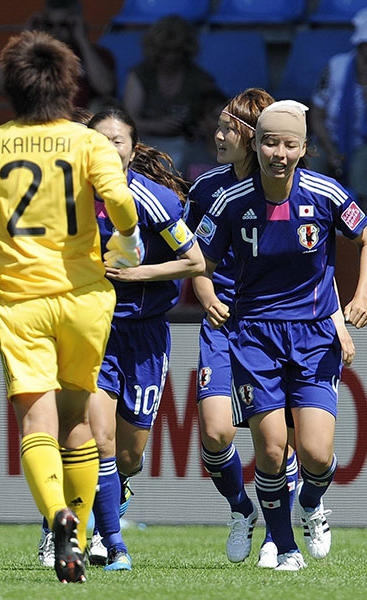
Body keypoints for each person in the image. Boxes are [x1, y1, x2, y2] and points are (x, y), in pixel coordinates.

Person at [0, 31, 145, 583]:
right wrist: (121, 234)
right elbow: (121, 203)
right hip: (83, 299)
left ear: (13, 87)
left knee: (37, 420)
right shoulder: (88, 143)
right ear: (68, 85)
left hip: (21, 302)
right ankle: (77, 541)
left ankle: (55, 514)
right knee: (78, 419)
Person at [195, 100, 367, 571]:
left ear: (303, 148)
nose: (279, 152)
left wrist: (360, 295)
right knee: (271, 450)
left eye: (289, 144)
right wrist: (206, 293)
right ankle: (285, 547)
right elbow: (201, 262)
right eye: (270, 142)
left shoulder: (326, 194)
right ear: (257, 144)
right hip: (254, 335)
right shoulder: (230, 202)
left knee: (315, 452)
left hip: (313, 336)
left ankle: (312, 503)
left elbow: (364, 236)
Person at [79, 107, 205, 572]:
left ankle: (111, 503)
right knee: (100, 439)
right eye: (100, 140)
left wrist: (140, 273)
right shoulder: (68, 197)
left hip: (146, 334)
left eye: (118, 140)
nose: (109, 148)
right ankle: (110, 542)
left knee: (130, 455)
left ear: (133, 148)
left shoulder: (153, 200)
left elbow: (195, 262)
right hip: (93, 330)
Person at [123, 15, 220, 171]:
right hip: (145, 143)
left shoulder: (199, 79)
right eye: (165, 51)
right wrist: (156, 125)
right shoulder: (140, 75)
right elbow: (128, 122)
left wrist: (199, 128)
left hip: (189, 146)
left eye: (176, 51)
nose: (171, 57)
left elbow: (212, 115)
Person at [0, 0, 116, 111]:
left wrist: (82, 39)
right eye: (50, 25)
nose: (56, 31)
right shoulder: (34, 56)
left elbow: (105, 87)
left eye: (64, 25)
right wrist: (25, 36)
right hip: (42, 122)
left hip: (82, 125)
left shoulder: (97, 54)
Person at [311, 7, 367, 197]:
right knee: (310, 167)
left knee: (362, 169)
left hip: (363, 145)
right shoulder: (336, 67)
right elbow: (317, 114)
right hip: (329, 140)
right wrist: (330, 149)